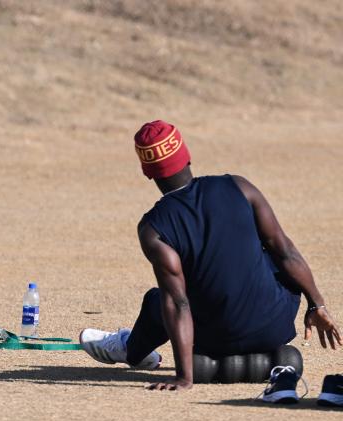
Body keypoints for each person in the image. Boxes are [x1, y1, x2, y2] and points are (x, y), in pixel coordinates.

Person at [79, 120, 341, 394]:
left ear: (147, 172)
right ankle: (135, 347)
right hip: (274, 326)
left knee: (158, 299)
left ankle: (133, 350)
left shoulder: (152, 229)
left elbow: (177, 302)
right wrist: (316, 305)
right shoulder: (240, 187)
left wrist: (184, 378)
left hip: (214, 340)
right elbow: (285, 251)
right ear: (187, 154)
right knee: (271, 255)